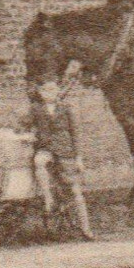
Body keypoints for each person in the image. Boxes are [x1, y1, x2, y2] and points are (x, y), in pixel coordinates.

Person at [28, 77, 95, 240]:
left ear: (57, 91)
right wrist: (26, 133)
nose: (48, 93)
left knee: (75, 190)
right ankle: (48, 198)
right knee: (39, 161)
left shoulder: (66, 108)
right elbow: (24, 124)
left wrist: (78, 157)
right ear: (40, 92)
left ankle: (86, 228)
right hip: (46, 148)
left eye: (52, 90)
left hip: (65, 151)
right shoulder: (36, 109)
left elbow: (75, 133)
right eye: (44, 90)